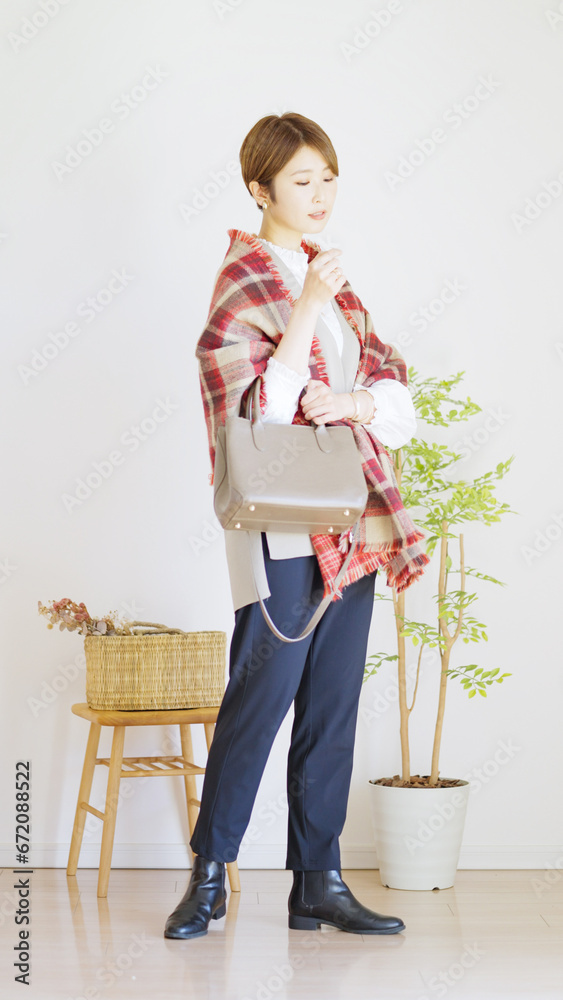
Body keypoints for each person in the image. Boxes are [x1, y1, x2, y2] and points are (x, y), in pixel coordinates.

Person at [164, 112, 429, 941]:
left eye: (328, 178)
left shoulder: (338, 285)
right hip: (278, 529)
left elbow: (398, 403)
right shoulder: (245, 281)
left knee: (330, 707)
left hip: (350, 524)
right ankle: (209, 877)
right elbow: (261, 418)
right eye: (301, 181)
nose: (319, 195)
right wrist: (306, 307)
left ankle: (318, 882)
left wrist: (351, 401)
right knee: (259, 697)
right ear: (259, 189)